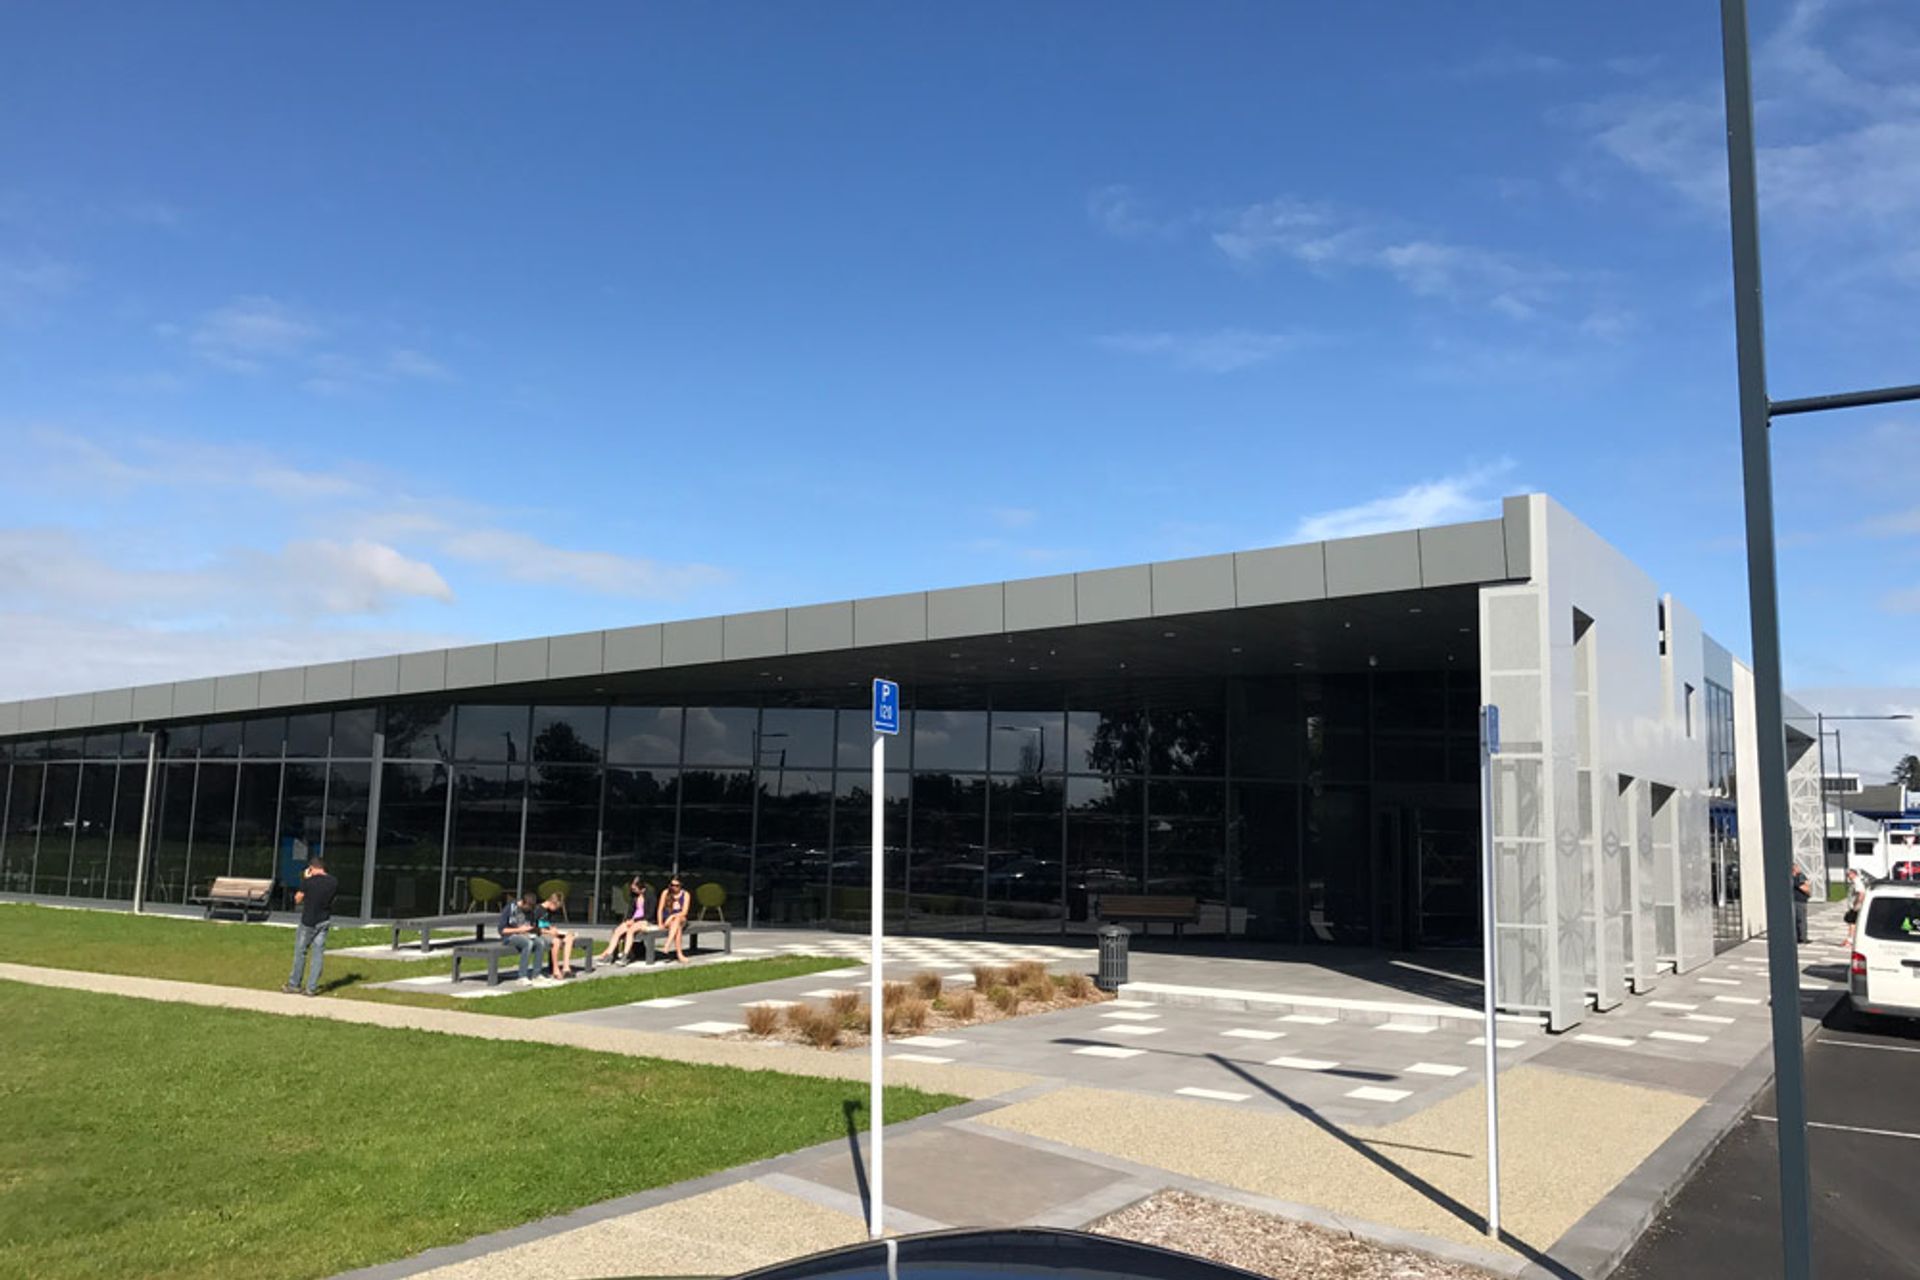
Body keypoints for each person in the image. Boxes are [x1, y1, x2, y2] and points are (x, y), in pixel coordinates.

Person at [284, 856, 338, 997]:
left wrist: (305, 879)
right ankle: (311, 987)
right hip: (324, 920)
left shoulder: (309, 882)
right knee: (318, 954)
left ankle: (294, 984)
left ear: (312, 868)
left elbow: (298, 899)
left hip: (308, 921)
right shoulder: (333, 882)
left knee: (300, 952)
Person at [598, 878, 657, 966]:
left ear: (642, 888)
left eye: (635, 888)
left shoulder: (650, 896)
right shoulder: (634, 897)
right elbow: (630, 912)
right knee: (617, 931)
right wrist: (628, 920)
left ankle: (625, 956)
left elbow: (650, 914)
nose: (633, 890)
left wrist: (634, 921)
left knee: (631, 931)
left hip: (645, 920)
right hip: (633, 920)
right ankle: (609, 955)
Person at [499, 892, 549, 983]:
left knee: (540, 942)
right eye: (527, 908)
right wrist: (519, 930)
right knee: (528, 943)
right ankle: (522, 976)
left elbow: (532, 925)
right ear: (522, 902)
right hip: (510, 936)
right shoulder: (510, 909)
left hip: (525, 934)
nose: (528, 910)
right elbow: (502, 930)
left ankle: (536, 974)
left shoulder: (530, 911)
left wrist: (531, 930)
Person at [538, 890, 579, 978]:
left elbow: (547, 924)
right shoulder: (538, 910)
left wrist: (552, 928)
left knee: (569, 937)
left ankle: (566, 968)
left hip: (549, 933)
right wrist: (549, 931)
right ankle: (555, 970)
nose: (556, 910)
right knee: (556, 941)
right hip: (542, 934)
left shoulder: (549, 911)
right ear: (552, 903)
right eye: (557, 907)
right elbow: (535, 928)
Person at [658, 876, 692, 964]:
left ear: (681, 885)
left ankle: (667, 944)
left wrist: (673, 916)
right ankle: (679, 954)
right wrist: (660, 923)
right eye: (672, 885)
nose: (674, 887)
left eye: (677, 885)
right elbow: (660, 909)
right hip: (668, 919)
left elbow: (684, 912)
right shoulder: (665, 892)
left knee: (677, 921)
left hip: (680, 917)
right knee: (678, 928)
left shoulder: (686, 894)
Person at [1791, 862, 1812, 944]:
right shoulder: (1795, 878)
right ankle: (1802, 938)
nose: (1799, 868)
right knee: (1800, 919)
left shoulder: (1800, 876)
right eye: (1797, 867)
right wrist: (1809, 893)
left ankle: (1801, 937)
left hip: (1801, 900)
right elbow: (1805, 888)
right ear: (1793, 868)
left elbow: (1807, 883)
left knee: (1801, 919)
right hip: (1798, 901)